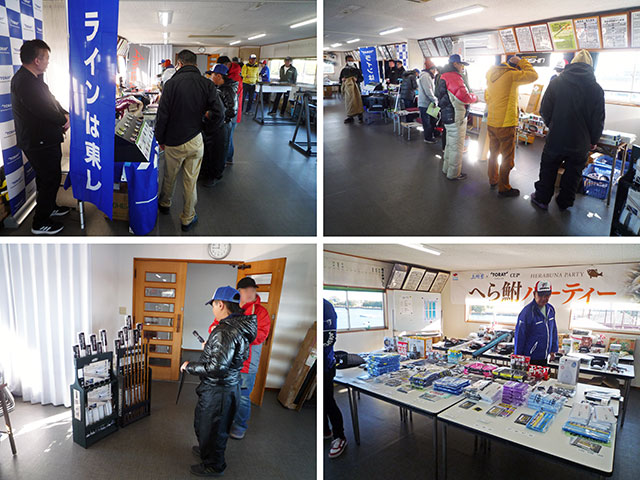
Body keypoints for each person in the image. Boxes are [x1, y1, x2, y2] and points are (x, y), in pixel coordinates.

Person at [182, 286, 257, 477]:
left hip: (219, 390)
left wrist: (190, 366)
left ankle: (214, 466)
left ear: (221, 304)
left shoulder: (225, 331)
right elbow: (228, 356)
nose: (213, 309)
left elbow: (217, 368)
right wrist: (211, 348)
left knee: (213, 429)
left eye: (213, 305)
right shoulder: (237, 326)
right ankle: (206, 450)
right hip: (226, 387)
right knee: (206, 425)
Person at [155, 49, 225, 232]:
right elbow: (219, 113)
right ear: (195, 64)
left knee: (170, 175)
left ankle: (164, 204)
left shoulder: (171, 84)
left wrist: (160, 138)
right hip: (195, 139)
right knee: (190, 180)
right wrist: (206, 129)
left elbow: (162, 115)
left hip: (173, 140)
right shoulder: (207, 84)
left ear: (179, 63)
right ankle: (187, 218)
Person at [531, 50, 605, 211]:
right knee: (573, 173)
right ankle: (564, 202)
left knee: (548, 168)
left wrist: (553, 124)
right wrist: (593, 140)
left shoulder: (556, 82)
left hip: (556, 138)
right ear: (590, 67)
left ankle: (542, 199)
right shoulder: (596, 89)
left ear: (572, 64)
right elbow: (598, 119)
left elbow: (544, 110)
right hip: (580, 142)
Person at [11, 39, 70, 235]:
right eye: (46, 58)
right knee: (49, 179)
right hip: (38, 141)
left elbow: (51, 100)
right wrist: (63, 120)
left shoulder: (35, 78)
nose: (48, 62)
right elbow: (42, 109)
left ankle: (49, 206)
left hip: (46, 139)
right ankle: (40, 222)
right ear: (37, 60)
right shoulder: (24, 81)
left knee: (49, 177)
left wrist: (65, 113)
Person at [485, 55, 538, 197]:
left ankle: (493, 179)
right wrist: (521, 61)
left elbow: (487, 96)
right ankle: (504, 187)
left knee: (493, 153)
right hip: (506, 123)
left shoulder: (490, 73)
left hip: (492, 121)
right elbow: (533, 75)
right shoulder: (511, 75)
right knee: (507, 157)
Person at [435, 54, 478, 181]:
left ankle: (446, 168)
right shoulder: (453, 77)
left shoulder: (443, 75)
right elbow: (463, 97)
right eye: (461, 64)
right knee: (457, 147)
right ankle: (454, 174)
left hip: (448, 115)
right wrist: (475, 97)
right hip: (456, 116)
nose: (462, 67)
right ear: (455, 64)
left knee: (450, 145)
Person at [201, 64, 238, 187]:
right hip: (213, 124)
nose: (210, 77)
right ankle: (207, 173)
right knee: (209, 151)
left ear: (218, 76)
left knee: (218, 153)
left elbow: (232, 111)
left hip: (222, 126)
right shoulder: (217, 88)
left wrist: (211, 114)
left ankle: (215, 176)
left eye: (211, 75)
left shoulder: (228, 90)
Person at [514, 281, 558, 366]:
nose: (543, 298)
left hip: (545, 357)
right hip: (530, 358)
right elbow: (519, 336)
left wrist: (553, 350)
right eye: (540, 295)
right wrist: (517, 358)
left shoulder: (550, 309)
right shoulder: (527, 312)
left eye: (547, 295)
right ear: (534, 294)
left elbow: (553, 330)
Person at [324, 299, 347, 459]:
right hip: (318, 362)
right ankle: (325, 430)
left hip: (326, 364)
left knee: (328, 401)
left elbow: (330, 338)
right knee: (323, 401)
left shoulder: (326, 306)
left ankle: (340, 436)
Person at [218, 56, 242, 166]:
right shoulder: (229, 74)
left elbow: (231, 98)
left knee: (228, 136)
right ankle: (227, 157)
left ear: (227, 64)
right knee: (227, 136)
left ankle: (228, 158)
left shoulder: (235, 77)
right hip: (230, 110)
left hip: (233, 111)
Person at [338, 54, 364, 124]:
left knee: (358, 102)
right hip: (348, 90)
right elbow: (340, 80)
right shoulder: (344, 70)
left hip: (356, 89)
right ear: (346, 61)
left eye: (352, 60)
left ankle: (360, 117)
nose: (351, 62)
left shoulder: (357, 70)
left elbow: (361, 79)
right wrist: (342, 79)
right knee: (349, 103)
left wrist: (356, 79)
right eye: (349, 60)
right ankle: (350, 116)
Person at [418, 59, 438, 144]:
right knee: (427, 122)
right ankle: (428, 138)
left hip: (429, 103)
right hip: (425, 104)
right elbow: (428, 91)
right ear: (431, 69)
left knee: (432, 121)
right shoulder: (425, 76)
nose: (435, 72)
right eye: (435, 70)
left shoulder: (428, 76)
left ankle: (431, 135)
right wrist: (435, 99)